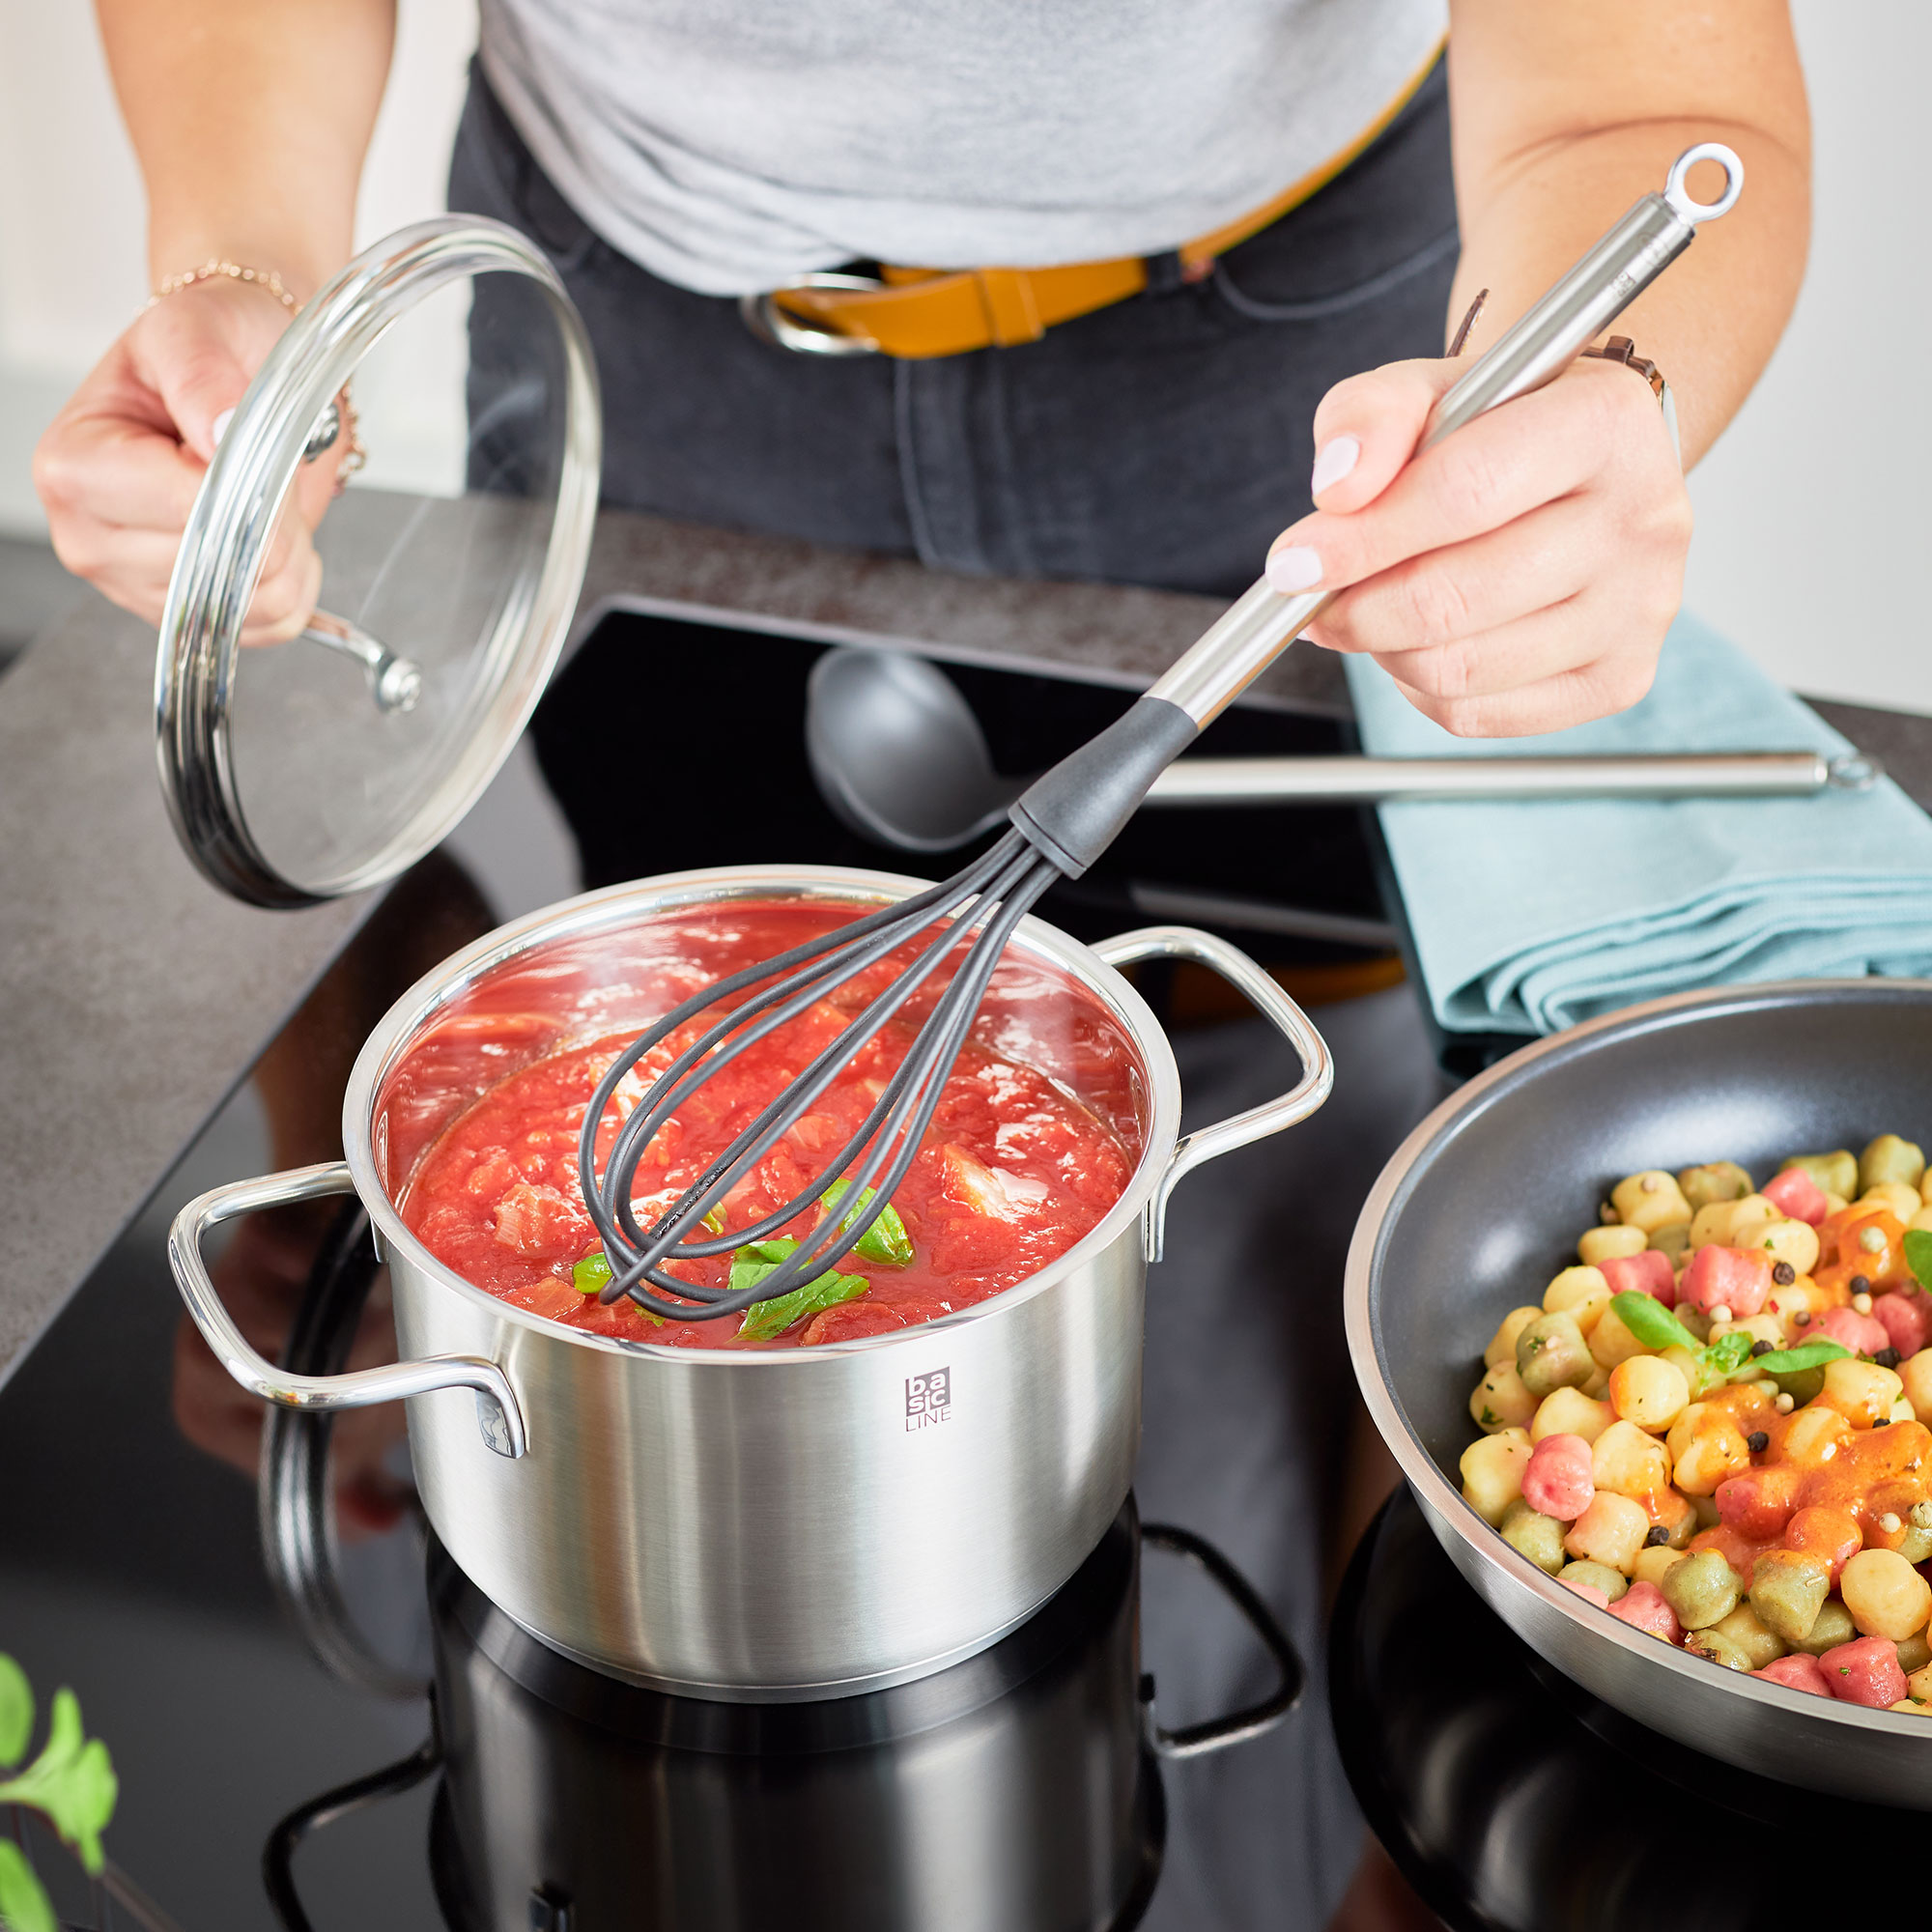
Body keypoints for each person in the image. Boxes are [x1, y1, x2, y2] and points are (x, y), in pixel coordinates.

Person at [41, 4, 1810, 1925]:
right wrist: (241, 280)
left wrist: (1597, 391)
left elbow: (1650, 96)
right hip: (639, 352)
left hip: (1307, 394)